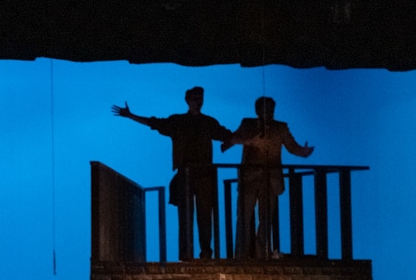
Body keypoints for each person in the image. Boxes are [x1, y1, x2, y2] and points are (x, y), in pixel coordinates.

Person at [111, 87, 233, 259]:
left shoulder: (207, 122)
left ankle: (204, 253)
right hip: (187, 174)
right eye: (196, 98)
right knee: (186, 217)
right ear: (188, 100)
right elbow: (155, 123)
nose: (199, 101)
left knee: (204, 216)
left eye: (201, 98)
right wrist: (131, 116)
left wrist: (245, 139)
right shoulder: (180, 121)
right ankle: (188, 253)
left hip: (203, 174)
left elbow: (226, 135)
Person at [221, 95, 313, 259]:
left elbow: (292, 147)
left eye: (271, 109)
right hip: (249, 178)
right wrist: (250, 141)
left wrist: (303, 152)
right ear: (257, 110)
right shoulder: (248, 124)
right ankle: (242, 254)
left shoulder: (281, 127)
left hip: (271, 179)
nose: (269, 112)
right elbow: (228, 142)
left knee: (266, 218)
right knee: (244, 216)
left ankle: (260, 252)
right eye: (265, 109)